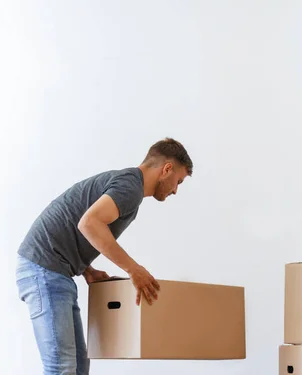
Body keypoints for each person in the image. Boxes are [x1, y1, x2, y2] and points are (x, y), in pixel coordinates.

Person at [15, 137, 193, 374]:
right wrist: (133, 269)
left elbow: (80, 222)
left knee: (78, 365)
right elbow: (89, 223)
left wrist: (86, 268)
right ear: (167, 169)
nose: (175, 190)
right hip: (44, 268)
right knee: (61, 366)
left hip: (55, 270)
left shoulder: (128, 185)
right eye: (178, 181)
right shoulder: (130, 187)